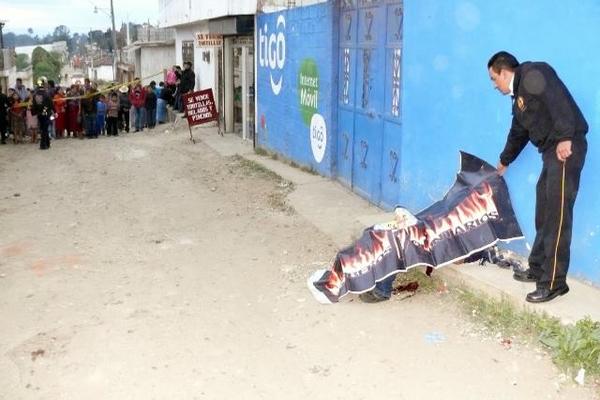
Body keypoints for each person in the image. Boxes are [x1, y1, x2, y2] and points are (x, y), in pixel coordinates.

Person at [487, 51, 588, 303]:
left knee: (557, 215)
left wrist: (565, 136)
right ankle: (538, 267)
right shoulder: (519, 96)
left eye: (493, 79)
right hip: (551, 153)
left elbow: (558, 100)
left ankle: (554, 282)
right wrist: (504, 161)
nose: (493, 85)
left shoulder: (534, 73)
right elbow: (518, 132)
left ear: (503, 72)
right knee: (544, 210)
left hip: (566, 148)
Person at [31, 81, 54, 150]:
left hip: (39, 114)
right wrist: (44, 112)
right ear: (44, 86)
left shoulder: (35, 95)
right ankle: (43, 145)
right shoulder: (46, 94)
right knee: (44, 129)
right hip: (46, 114)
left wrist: (36, 112)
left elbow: (34, 105)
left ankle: (47, 143)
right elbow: (49, 105)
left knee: (43, 129)